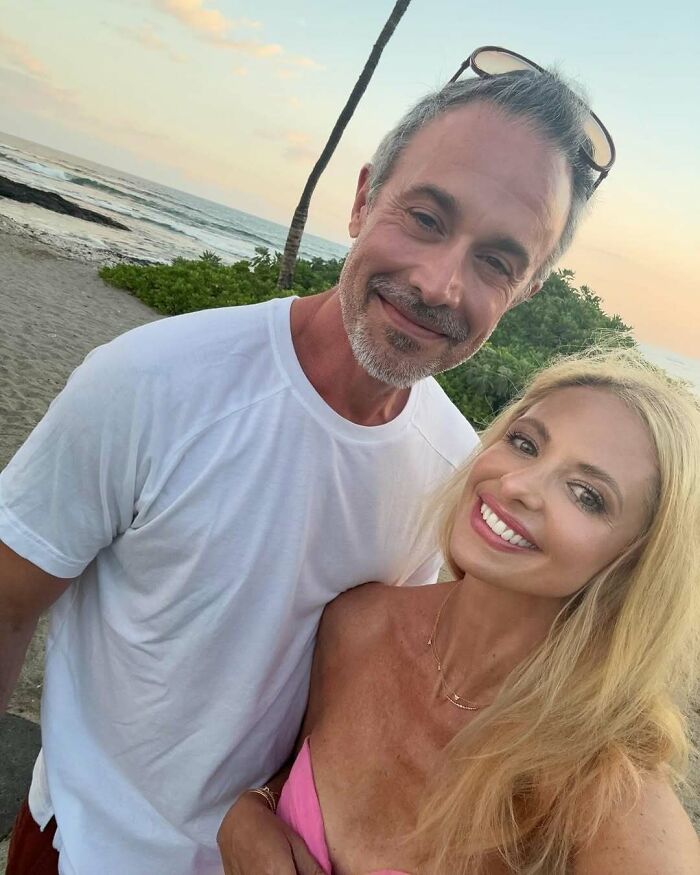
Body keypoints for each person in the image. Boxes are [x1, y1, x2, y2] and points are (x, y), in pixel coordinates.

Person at [1, 47, 612, 874]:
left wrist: (261, 807)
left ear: (527, 288)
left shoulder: (461, 475)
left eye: (496, 261)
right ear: (363, 199)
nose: (440, 283)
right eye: (426, 218)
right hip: (83, 846)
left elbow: (379, 691)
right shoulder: (152, 381)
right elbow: (8, 603)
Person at [226, 349, 700, 875]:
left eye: (586, 494)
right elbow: (296, 779)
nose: (517, 485)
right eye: (525, 444)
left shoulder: (605, 785)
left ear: (636, 563)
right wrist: (253, 812)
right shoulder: (358, 624)